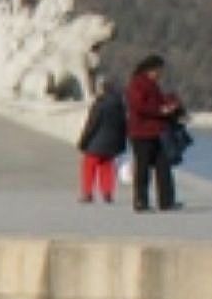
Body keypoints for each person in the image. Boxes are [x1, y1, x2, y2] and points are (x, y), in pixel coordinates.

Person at [123, 53, 184, 212]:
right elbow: (139, 106)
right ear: (150, 69)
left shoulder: (152, 85)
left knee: (164, 167)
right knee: (142, 169)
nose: (160, 74)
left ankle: (166, 201)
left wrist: (172, 106)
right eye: (158, 70)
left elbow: (159, 101)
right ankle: (141, 202)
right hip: (141, 133)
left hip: (157, 132)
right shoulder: (137, 84)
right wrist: (161, 110)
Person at [75, 72, 127, 204]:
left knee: (89, 167)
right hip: (112, 143)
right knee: (106, 167)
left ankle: (87, 193)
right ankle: (107, 193)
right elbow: (123, 125)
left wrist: (83, 141)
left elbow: (91, 125)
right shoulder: (120, 105)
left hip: (96, 142)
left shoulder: (100, 105)